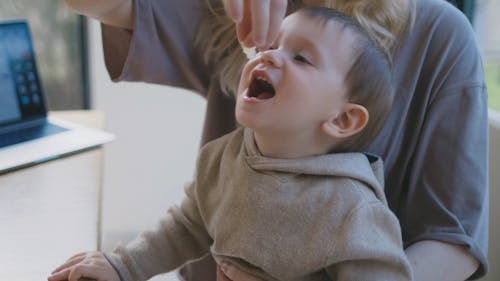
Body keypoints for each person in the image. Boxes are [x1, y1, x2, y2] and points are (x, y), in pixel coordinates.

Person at [62, 0, 489, 280]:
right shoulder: (224, 160)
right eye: (273, 45)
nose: (269, 55)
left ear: (343, 119)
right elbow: (189, 223)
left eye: (301, 57)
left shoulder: (352, 210)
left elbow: (452, 238)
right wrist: (122, 267)